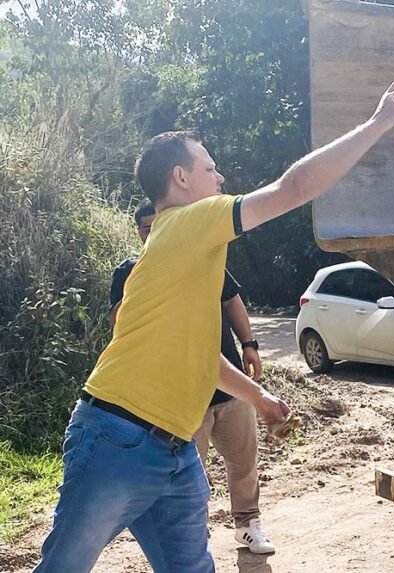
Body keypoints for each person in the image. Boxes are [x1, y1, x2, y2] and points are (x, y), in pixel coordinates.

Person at [35, 80, 394, 572]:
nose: (221, 178)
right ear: (181, 178)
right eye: (211, 168)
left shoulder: (179, 246)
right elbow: (292, 189)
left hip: (174, 453)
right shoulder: (191, 221)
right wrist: (378, 123)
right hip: (118, 437)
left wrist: (258, 398)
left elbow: (197, 356)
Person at [109, 201, 274, 553]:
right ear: (138, 232)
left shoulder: (203, 256)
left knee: (243, 461)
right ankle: (194, 538)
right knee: (188, 477)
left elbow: (232, 301)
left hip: (230, 385)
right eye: (147, 228)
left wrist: (250, 344)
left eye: (162, 223)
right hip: (181, 395)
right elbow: (120, 326)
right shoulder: (129, 272)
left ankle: (248, 524)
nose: (155, 232)